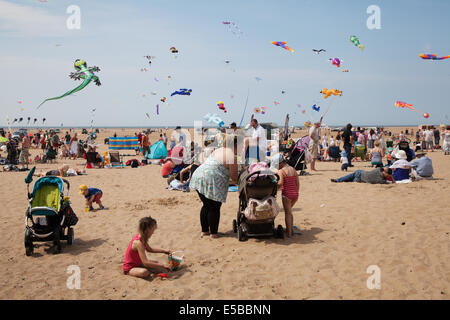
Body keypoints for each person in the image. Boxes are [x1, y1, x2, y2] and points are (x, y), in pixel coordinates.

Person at [190, 137, 238, 239]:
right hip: (210, 179)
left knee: (206, 205)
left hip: (198, 175)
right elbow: (234, 177)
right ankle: (213, 233)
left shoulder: (218, 150)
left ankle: (205, 231)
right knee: (214, 207)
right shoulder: (232, 156)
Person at [271, 153, 299, 238]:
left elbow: (280, 183)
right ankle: (292, 231)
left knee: (287, 213)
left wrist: (274, 186)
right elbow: (297, 183)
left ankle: (289, 233)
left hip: (286, 194)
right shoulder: (293, 169)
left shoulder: (281, 171)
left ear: (280, 163)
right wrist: (296, 192)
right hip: (295, 194)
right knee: (290, 212)